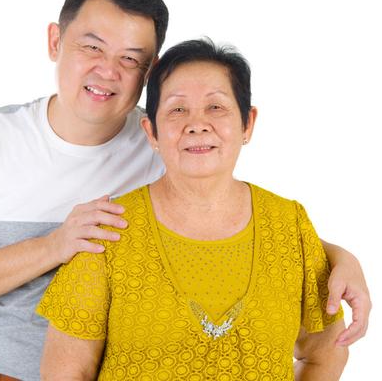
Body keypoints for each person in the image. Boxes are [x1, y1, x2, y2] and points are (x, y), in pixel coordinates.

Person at [0, 0, 369, 381]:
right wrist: (54, 245)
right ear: (55, 41)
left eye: (131, 59)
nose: (108, 71)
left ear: (149, 72)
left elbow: (237, 221)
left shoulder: (166, 140)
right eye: (92, 47)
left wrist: (340, 258)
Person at [38, 38, 349, 380]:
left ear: (247, 124)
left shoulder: (289, 224)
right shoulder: (107, 231)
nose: (197, 124)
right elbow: (66, 372)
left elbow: (326, 353)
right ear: (152, 132)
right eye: (177, 110)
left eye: (216, 107)